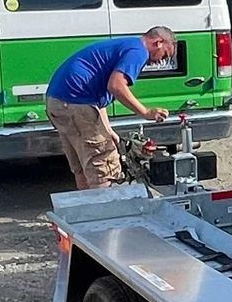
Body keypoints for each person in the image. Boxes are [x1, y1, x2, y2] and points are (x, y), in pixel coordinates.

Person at [44, 27, 176, 189]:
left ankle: (87, 211)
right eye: (164, 55)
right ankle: (108, 212)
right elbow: (116, 85)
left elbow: (100, 99)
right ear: (158, 43)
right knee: (104, 167)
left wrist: (109, 131)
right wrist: (145, 112)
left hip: (58, 101)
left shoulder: (127, 45)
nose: (160, 61)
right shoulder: (139, 51)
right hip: (76, 102)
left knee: (82, 166)